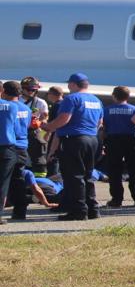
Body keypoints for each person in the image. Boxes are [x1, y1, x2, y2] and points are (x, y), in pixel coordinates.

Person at [40, 73, 105, 221]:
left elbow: (64, 119)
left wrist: (48, 127)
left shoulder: (71, 98)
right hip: (91, 139)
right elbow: (100, 123)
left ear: (74, 84)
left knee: (74, 176)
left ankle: (79, 210)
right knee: (88, 175)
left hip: (74, 140)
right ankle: (93, 209)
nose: (68, 87)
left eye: (69, 84)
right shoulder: (96, 100)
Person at [101, 86, 135, 209]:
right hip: (130, 140)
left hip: (113, 140)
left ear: (114, 96)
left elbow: (103, 128)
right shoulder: (134, 109)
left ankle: (116, 199)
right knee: (134, 170)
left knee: (114, 171)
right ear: (128, 96)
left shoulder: (107, 110)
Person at [2, 81, 35, 223]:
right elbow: (27, 125)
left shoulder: (8, 107)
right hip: (22, 146)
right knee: (19, 178)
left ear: (4, 91)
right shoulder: (26, 109)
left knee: (4, 179)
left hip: (9, 145)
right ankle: (20, 210)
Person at [19, 78, 49, 176]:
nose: (32, 92)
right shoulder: (16, 101)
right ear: (22, 89)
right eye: (29, 89)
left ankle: (39, 183)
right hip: (18, 134)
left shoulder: (41, 103)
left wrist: (39, 123)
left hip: (34, 134)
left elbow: (45, 119)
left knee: (38, 160)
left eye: (34, 90)